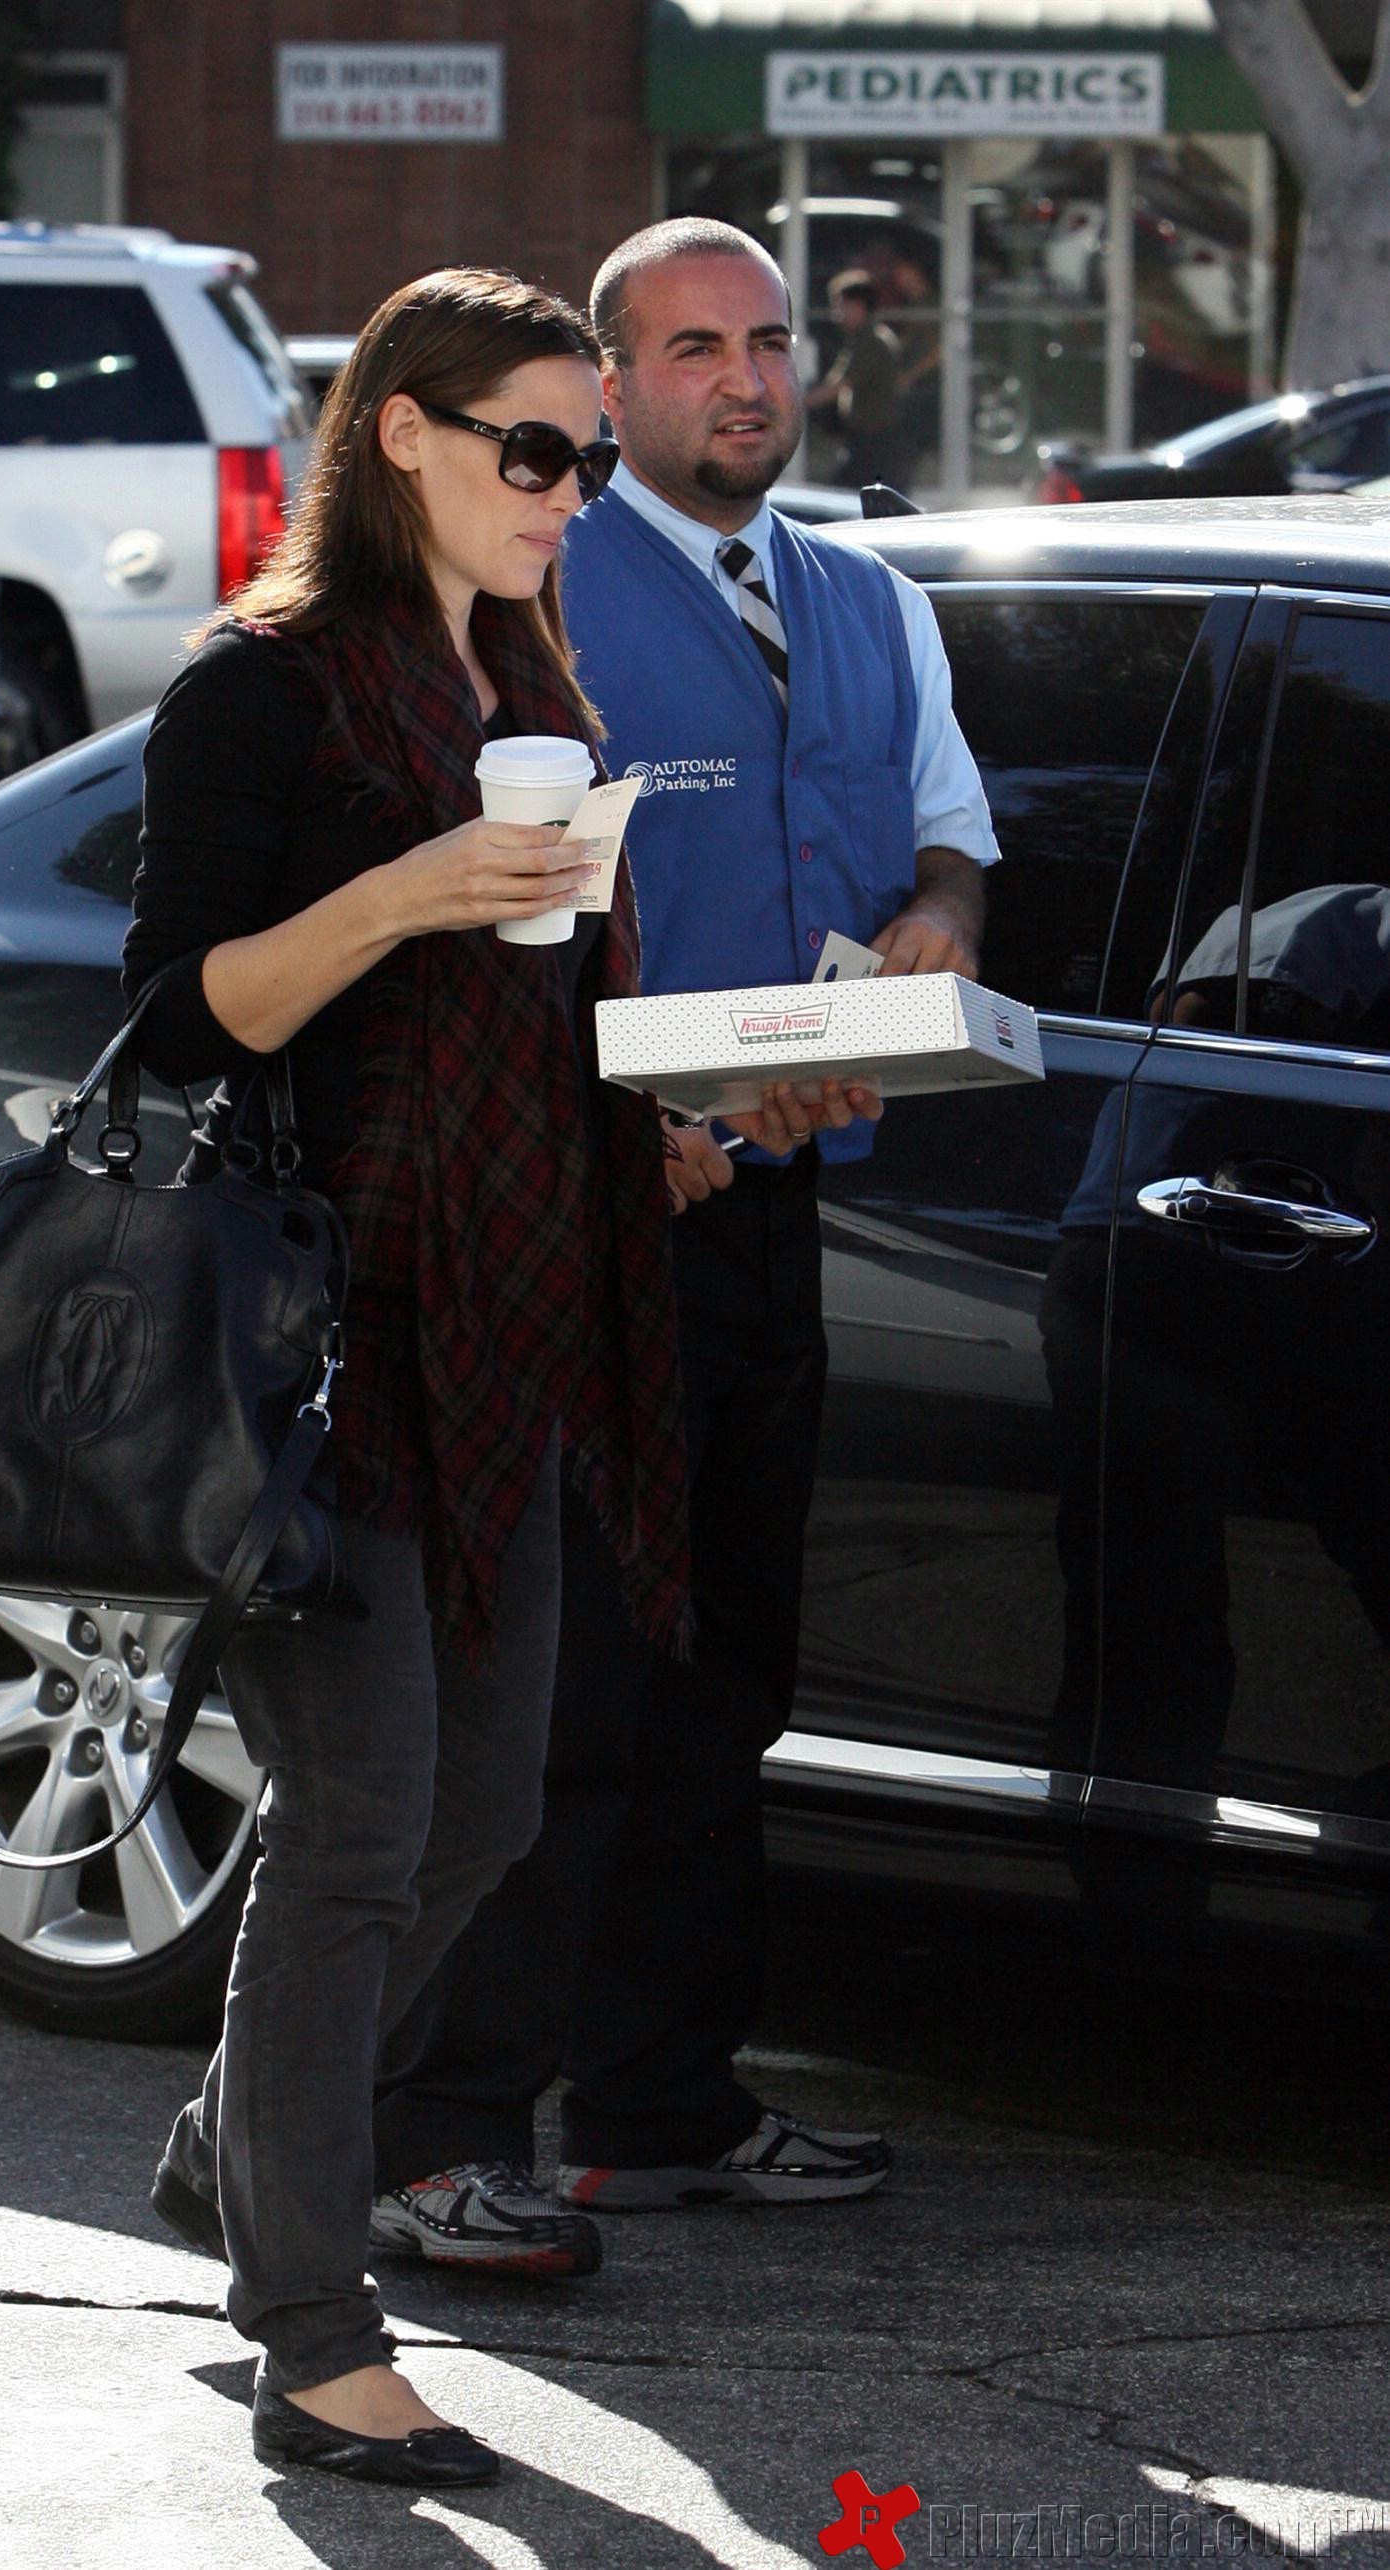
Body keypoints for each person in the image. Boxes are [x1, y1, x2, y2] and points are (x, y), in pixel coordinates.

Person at [369, 216, 1001, 2255]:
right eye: (694, 346)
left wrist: (933, 941)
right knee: (557, 1709)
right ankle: (439, 2132)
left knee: (727, 1680)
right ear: (614, 388)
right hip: (578, 1226)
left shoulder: (868, 594)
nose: (745, 377)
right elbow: (463, 942)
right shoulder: (531, 599)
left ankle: (662, 2105)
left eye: (769, 341)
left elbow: (949, 839)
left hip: (771, 1218)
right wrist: (635, 1133)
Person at [126, 267, 690, 2485]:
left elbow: (523, 1029)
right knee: (360, 1828)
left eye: (592, 458)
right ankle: (309, 2327)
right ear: (405, 439)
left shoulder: (531, 665)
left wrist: (679, 1106)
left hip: (518, 1322)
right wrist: (415, 886)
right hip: (328, 1328)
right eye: (536, 450)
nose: (570, 492)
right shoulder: (259, 689)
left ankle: (222, 2154)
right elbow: (186, 1017)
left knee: (486, 1814)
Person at [804, 267, 908, 493]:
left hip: (877, 443)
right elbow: (836, 380)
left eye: (840, 305)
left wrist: (796, 404)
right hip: (864, 441)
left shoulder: (872, 341)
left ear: (858, 307)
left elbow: (839, 386)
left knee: (847, 499)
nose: (836, 313)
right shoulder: (859, 340)